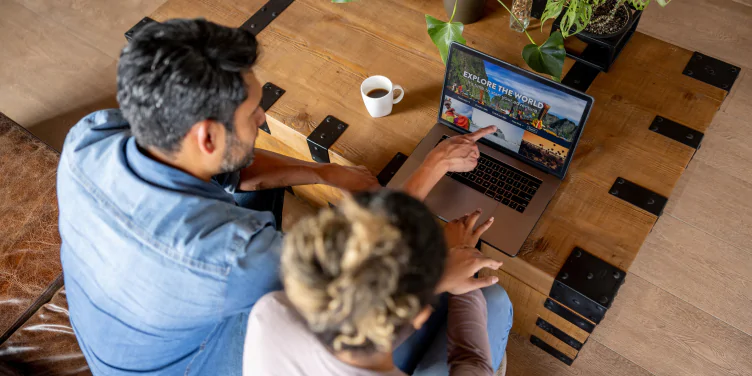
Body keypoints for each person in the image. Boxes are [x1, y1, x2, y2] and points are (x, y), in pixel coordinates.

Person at [56, 19, 384, 375]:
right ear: (208, 138)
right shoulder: (231, 256)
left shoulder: (88, 138)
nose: (262, 118)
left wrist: (325, 172)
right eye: (253, 112)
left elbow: (239, 169)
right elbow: (357, 272)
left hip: (118, 339)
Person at [243, 183, 514, 373]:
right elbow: (471, 362)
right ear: (419, 315)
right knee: (495, 300)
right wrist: (461, 259)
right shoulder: (270, 310)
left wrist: (438, 275)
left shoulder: (270, 312)